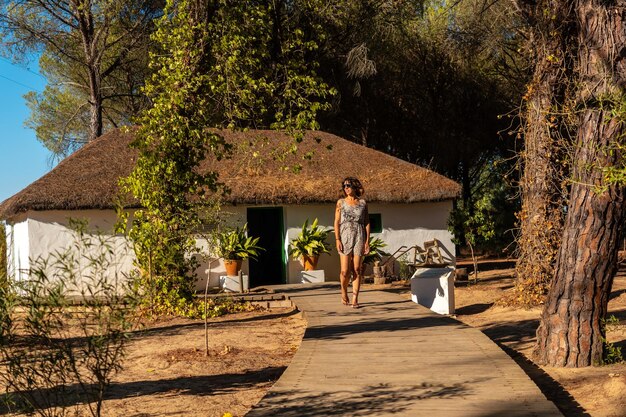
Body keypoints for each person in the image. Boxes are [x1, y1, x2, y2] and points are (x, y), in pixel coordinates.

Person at [334, 177, 370, 308]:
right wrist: (337, 239)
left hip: (359, 236)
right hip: (344, 236)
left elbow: (366, 222)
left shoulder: (363, 203)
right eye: (344, 186)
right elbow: (336, 222)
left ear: (355, 187)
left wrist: (367, 241)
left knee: (356, 269)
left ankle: (355, 299)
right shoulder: (340, 202)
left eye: (348, 185)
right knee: (344, 271)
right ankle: (344, 291)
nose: (346, 188)